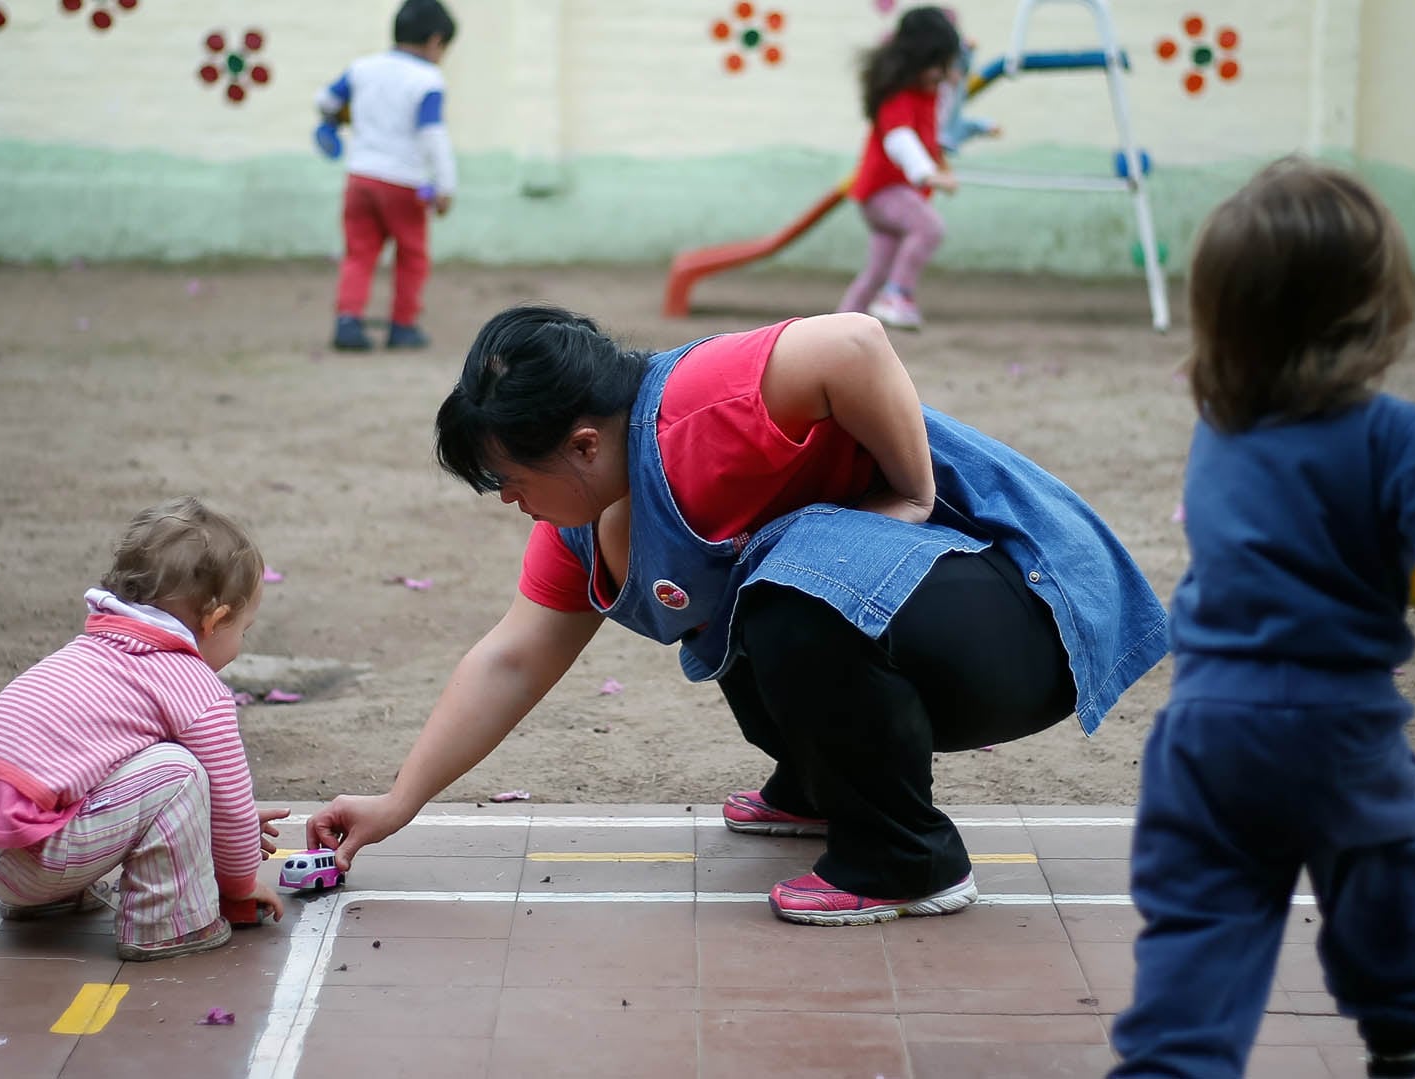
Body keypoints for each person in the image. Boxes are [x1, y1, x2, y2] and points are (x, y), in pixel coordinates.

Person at [307, 305, 1169, 926]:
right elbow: (512, 657)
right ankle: (823, 790)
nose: (510, 501)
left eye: (512, 479)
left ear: (582, 444)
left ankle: (908, 858)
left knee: (784, 586)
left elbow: (856, 339)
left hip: (1024, 617)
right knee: (747, 596)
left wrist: (911, 488)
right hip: (926, 629)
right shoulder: (582, 522)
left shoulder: (694, 405)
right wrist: (398, 802)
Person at [1107, 159, 1415, 1078]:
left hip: (1207, 727)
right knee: (1380, 874)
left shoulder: (1220, 432)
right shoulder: (1400, 435)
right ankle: (1412, 1026)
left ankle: (1172, 1062)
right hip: (1336, 726)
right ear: (1377, 314)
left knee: (1203, 911)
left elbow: (1211, 529)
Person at [0, 497, 289, 961]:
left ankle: (50, 901)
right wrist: (239, 886)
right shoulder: (192, 682)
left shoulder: (94, 651)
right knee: (178, 771)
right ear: (215, 621)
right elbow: (232, 806)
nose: (241, 642)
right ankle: (169, 923)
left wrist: (205, 826)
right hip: (33, 859)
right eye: (244, 629)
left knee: (113, 758)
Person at [314, 0, 459, 353]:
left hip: (360, 177)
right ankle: (402, 325)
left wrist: (332, 126)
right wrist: (445, 186)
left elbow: (325, 100)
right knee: (411, 255)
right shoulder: (428, 80)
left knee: (359, 253)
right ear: (435, 41)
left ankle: (348, 321)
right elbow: (432, 135)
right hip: (403, 182)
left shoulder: (363, 68)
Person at [837, 6, 964, 332]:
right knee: (929, 228)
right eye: (938, 64)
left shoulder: (925, 91)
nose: (942, 73)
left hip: (890, 194)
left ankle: (835, 327)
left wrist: (953, 76)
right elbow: (899, 139)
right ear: (918, 61)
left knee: (875, 273)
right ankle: (897, 296)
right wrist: (926, 173)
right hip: (883, 193)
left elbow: (936, 123)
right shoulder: (899, 96)